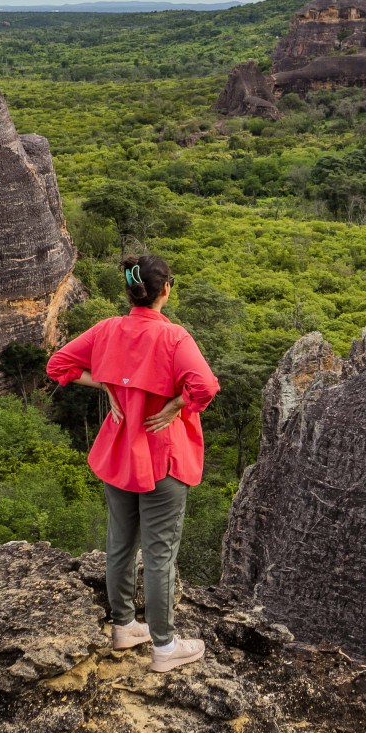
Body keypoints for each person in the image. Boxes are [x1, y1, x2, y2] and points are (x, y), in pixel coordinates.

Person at [46, 254, 219, 673]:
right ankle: (164, 647)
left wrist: (108, 383)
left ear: (129, 291)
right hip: (163, 457)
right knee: (159, 555)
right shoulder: (175, 338)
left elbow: (59, 366)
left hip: (120, 453)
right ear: (166, 289)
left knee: (120, 544)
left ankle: (123, 626)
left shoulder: (107, 330)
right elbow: (205, 387)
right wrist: (178, 404)